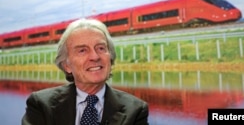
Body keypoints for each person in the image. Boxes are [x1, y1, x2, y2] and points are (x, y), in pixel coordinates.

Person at [21, 18, 149, 125]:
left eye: (100, 48)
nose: (95, 57)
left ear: (110, 57)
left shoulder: (136, 110)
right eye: (82, 50)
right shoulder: (41, 105)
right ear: (67, 65)